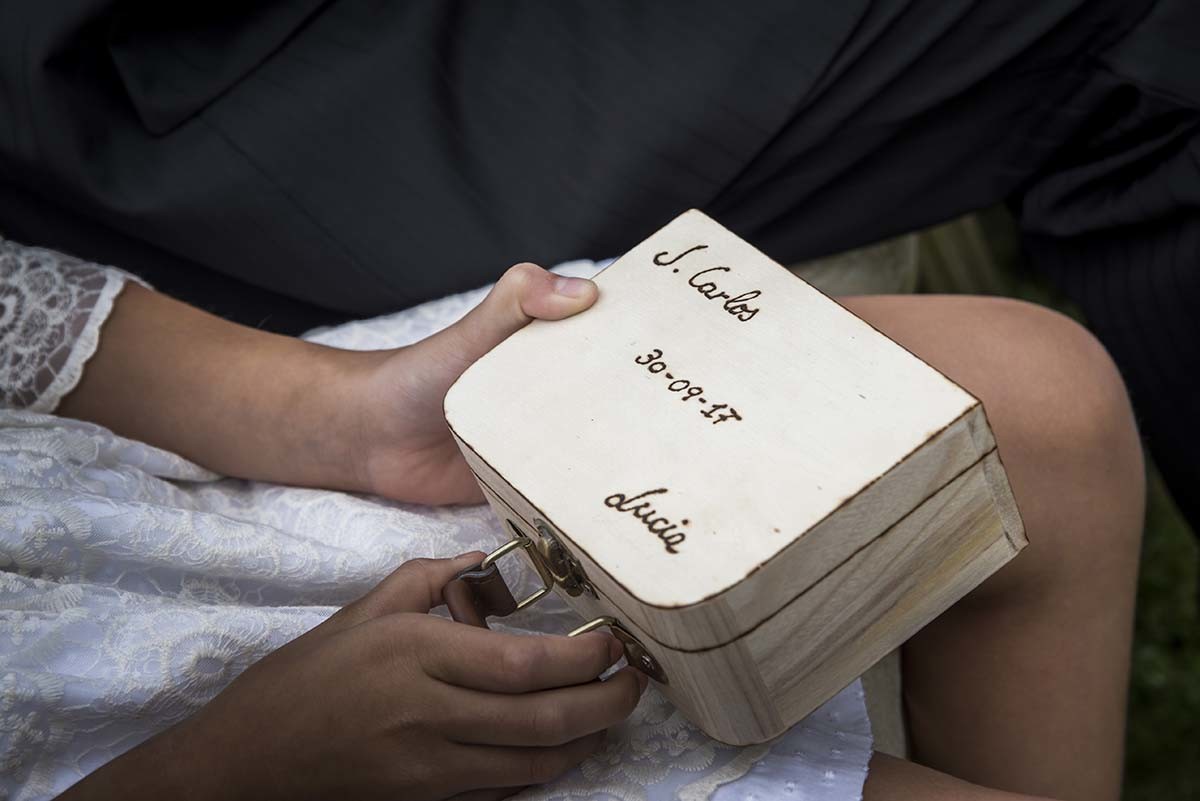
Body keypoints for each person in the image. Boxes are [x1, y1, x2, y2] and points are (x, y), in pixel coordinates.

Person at [1, 0, 1191, 798]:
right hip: (167, 744)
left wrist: (350, 414)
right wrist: (241, 765)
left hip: (149, 467)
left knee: (1043, 402)